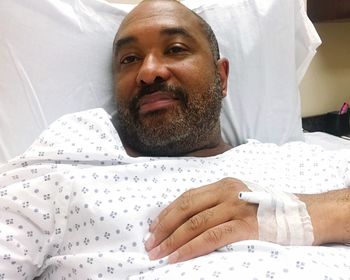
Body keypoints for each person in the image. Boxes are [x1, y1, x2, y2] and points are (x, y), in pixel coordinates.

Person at [0, 0, 349, 279]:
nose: (149, 71)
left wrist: (294, 215)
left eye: (176, 49)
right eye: (130, 59)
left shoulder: (304, 161)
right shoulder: (66, 168)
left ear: (221, 76)